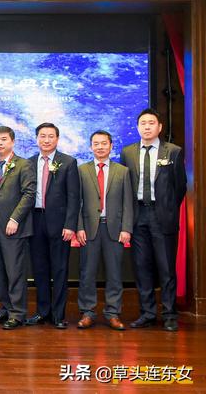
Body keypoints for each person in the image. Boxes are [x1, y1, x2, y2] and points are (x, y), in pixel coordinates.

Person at [120, 109, 187, 332]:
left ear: (159, 127)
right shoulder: (127, 152)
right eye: (143, 123)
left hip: (162, 216)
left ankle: (169, 314)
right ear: (137, 127)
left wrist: (167, 208)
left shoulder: (173, 151)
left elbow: (180, 186)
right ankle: (147, 313)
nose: (147, 126)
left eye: (151, 123)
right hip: (138, 215)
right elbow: (125, 186)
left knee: (166, 267)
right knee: (142, 267)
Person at [76, 130, 133, 331]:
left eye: (104, 143)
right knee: (87, 273)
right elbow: (77, 202)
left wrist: (126, 228)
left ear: (111, 146)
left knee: (115, 274)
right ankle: (87, 312)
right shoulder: (81, 170)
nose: (100, 147)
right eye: (96, 143)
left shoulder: (122, 171)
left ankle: (113, 313)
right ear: (90, 147)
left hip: (115, 229)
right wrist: (79, 227)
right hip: (89, 229)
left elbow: (128, 203)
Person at [26, 123, 80, 329]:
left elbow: (74, 197)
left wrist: (70, 225)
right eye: (42, 136)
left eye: (50, 136)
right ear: (37, 139)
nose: (46, 140)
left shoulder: (68, 162)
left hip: (59, 224)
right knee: (39, 269)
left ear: (57, 139)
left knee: (59, 269)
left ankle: (58, 315)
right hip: (35, 220)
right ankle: (42, 312)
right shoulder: (29, 163)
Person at [0, 126, 36, 330]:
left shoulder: (24, 164)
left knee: (14, 271)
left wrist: (15, 219)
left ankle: (17, 313)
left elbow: (29, 194)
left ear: (12, 142)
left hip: (13, 226)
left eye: (4, 139)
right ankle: (6, 308)